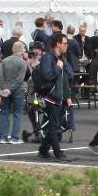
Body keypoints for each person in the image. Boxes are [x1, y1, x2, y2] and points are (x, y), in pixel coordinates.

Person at [34, 34, 73, 162]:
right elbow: (47, 75)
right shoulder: (48, 58)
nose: (67, 45)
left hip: (59, 97)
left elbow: (64, 79)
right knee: (55, 126)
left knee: (54, 126)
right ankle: (58, 153)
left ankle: (43, 150)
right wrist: (58, 67)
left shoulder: (61, 58)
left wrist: (67, 96)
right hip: (50, 96)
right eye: (65, 43)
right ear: (58, 44)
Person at [0, 40, 29, 144]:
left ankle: (2, 137)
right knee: (17, 114)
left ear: (13, 49)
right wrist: (10, 89)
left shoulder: (5, 60)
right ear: (22, 50)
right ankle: (14, 138)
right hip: (18, 90)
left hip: (5, 89)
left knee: (4, 113)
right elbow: (20, 79)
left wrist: (4, 88)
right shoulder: (23, 62)